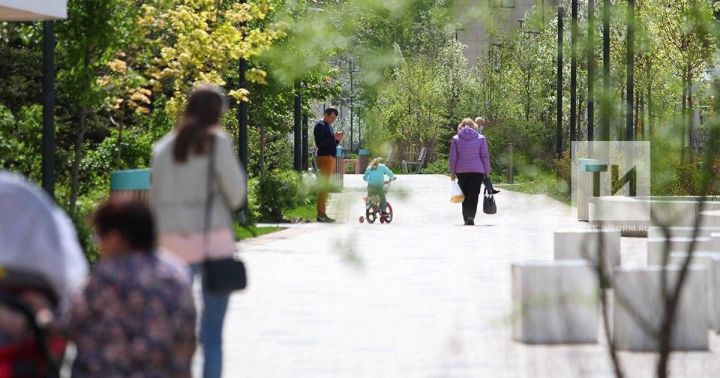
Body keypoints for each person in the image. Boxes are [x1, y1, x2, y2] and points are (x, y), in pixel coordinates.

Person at [151, 84, 247, 378]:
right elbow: (236, 194)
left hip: (172, 248)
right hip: (212, 244)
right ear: (217, 112)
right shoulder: (216, 143)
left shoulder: (163, 148)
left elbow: (155, 201)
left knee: (173, 331)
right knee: (212, 336)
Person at [67, 197, 196, 377]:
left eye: (101, 235)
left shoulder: (105, 276)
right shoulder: (177, 274)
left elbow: (68, 322)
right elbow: (187, 336)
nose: (98, 244)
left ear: (117, 237)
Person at [449, 118, 491, 225]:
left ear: (461, 126)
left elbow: (453, 157)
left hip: (461, 171)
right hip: (477, 171)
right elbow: (484, 156)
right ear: (474, 126)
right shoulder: (481, 138)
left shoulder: (456, 139)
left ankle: (466, 217)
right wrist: (487, 171)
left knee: (465, 194)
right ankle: (471, 216)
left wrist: (452, 173)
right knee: (474, 193)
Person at [314, 107, 344, 223]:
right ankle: (321, 214)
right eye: (331, 117)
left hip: (330, 157)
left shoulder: (329, 127)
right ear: (325, 114)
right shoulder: (320, 126)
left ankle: (323, 213)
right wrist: (333, 137)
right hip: (324, 158)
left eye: (334, 119)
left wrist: (338, 140)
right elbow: (320, 143)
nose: (332, 120)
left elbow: (331, 144)